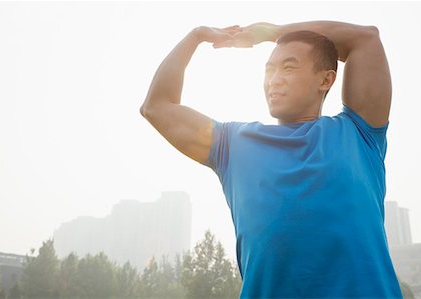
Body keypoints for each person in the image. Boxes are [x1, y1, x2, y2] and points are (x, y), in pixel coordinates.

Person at [140, 20, 403, 298]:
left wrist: (272, 33)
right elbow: (156, 107)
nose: (274, 79)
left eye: (288, 67)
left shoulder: (358, 133)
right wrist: (195, 37)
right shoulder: (233, 145)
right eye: (270, 70)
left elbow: (365, 38)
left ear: (325, 79)